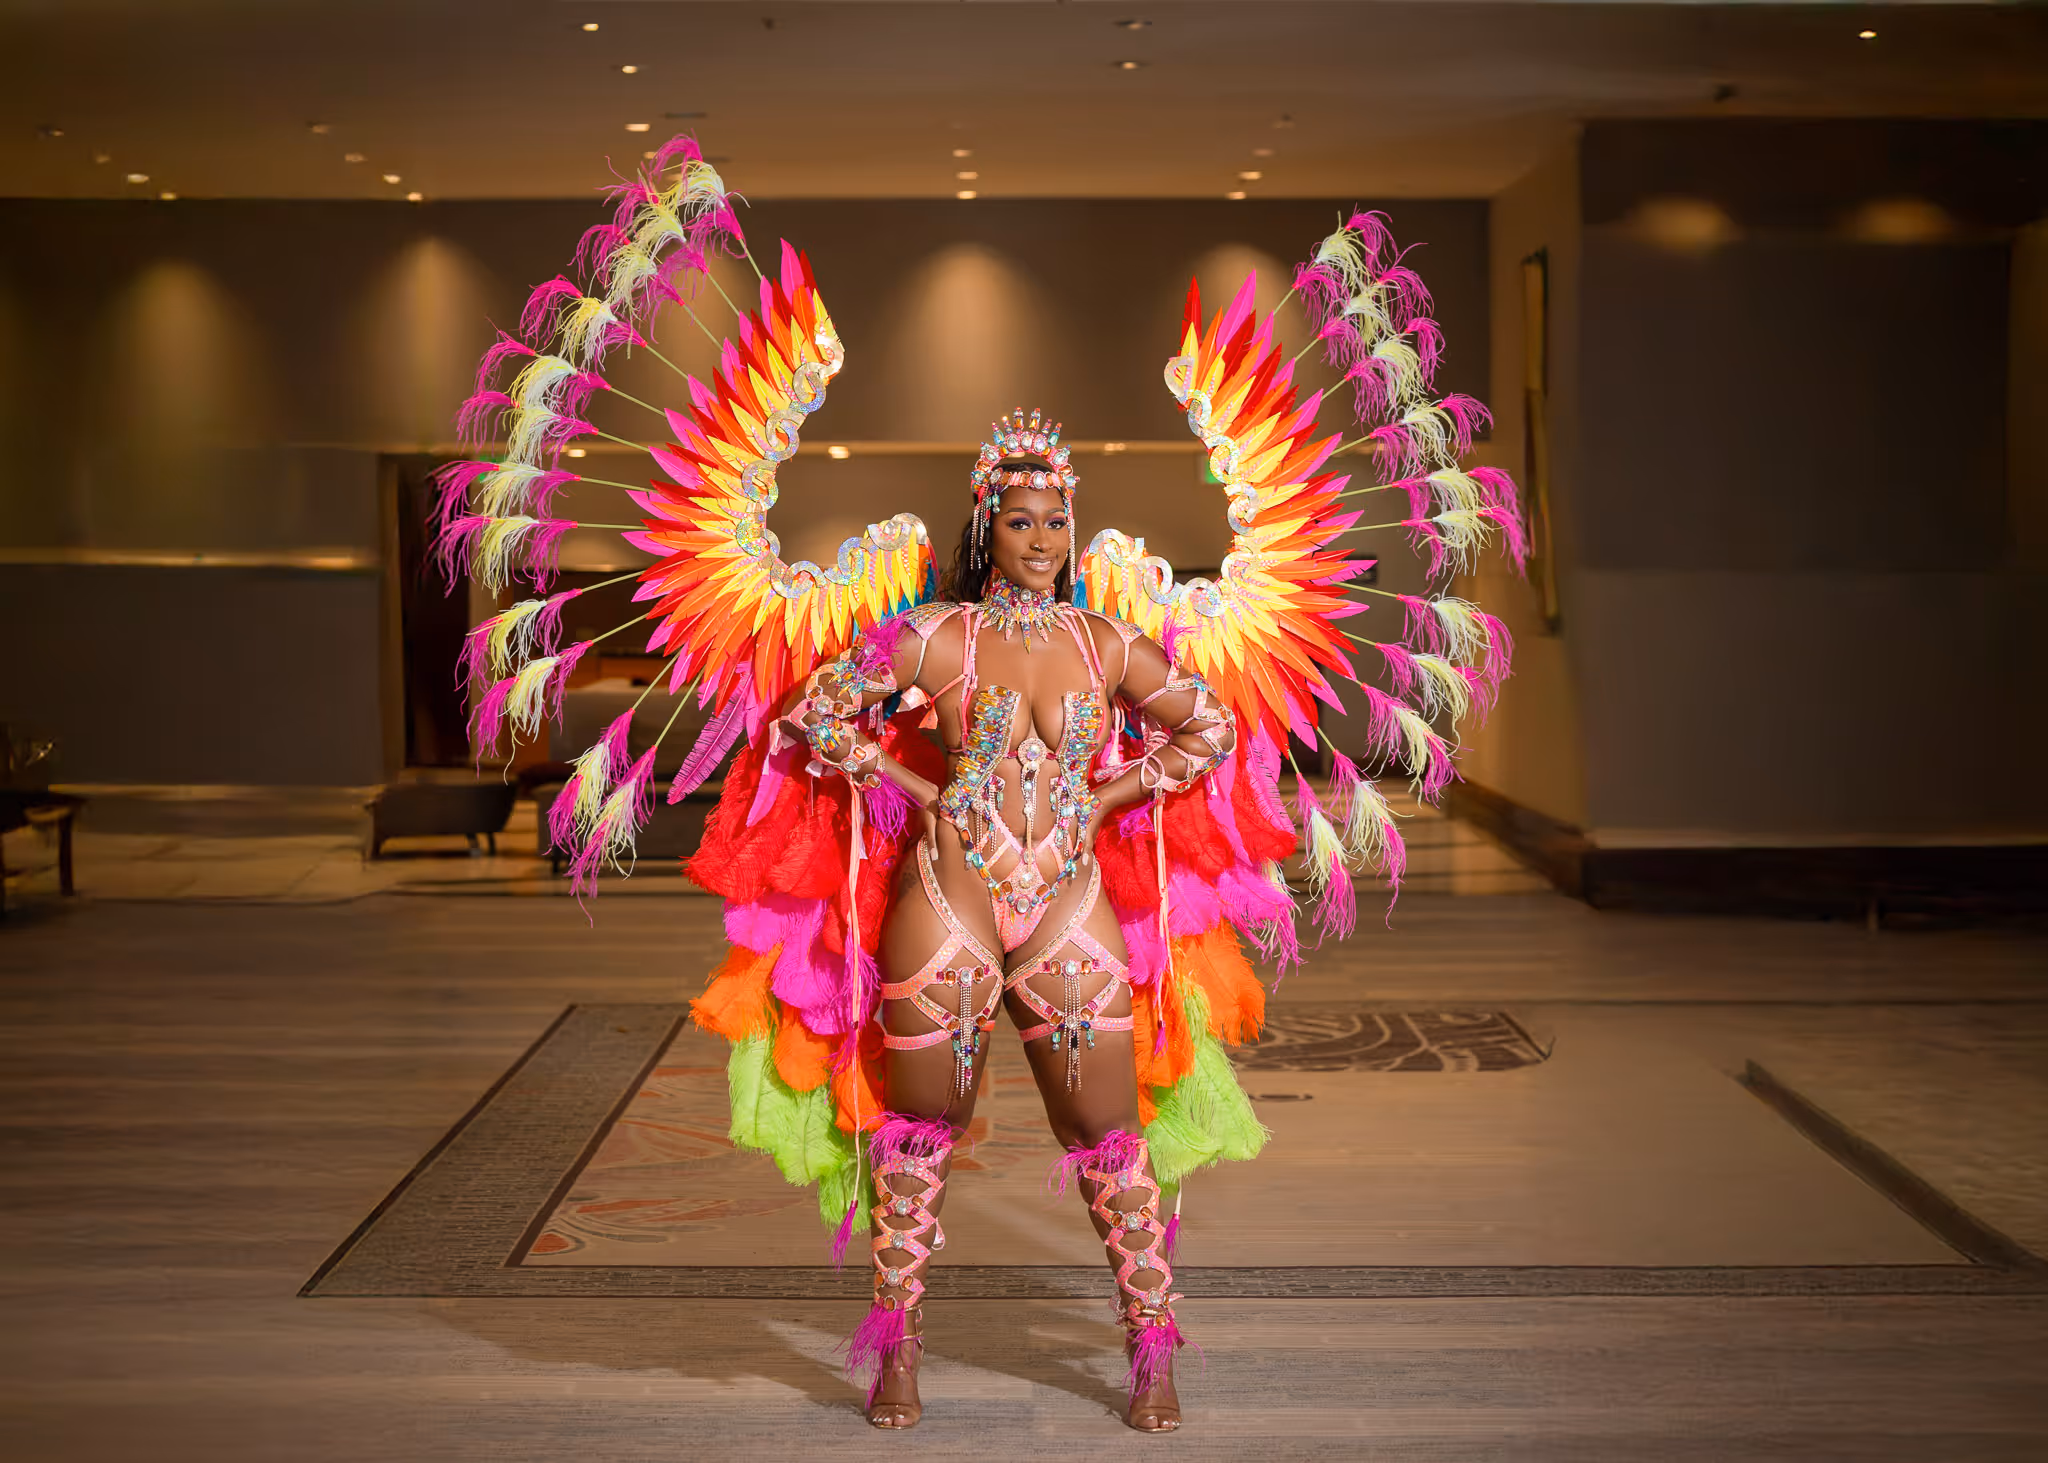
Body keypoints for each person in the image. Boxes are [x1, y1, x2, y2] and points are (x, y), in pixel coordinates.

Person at [779, 414, 1234, 1430]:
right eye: (1021, 521)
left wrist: (1114, 795)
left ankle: (1149, 1345)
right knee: (923, 1128)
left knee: (1105, 1131)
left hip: (1065, 894)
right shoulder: (938, 631)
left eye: (1057, 520)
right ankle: (894, 1348)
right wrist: (905, 778)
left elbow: (1210, 723)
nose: (1042, 540)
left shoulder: (1105, 640)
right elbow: (816, 714)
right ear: (988, 525)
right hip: (950, 891)